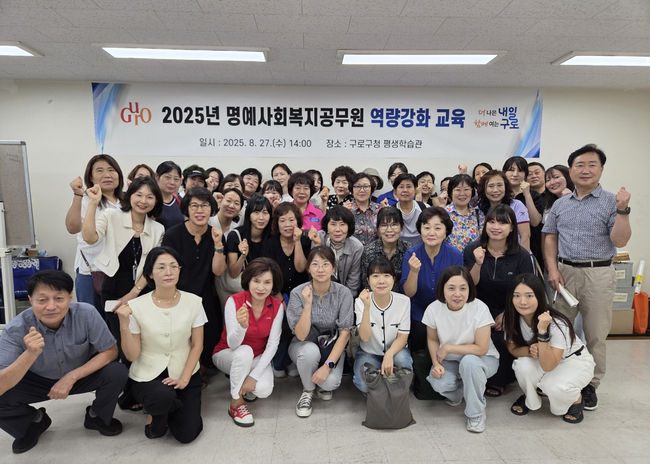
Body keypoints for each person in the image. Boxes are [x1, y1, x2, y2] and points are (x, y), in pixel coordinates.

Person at [543, 143, 631, 410]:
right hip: (564, 274)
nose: (585, 170)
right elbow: (550, 237)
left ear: (601, 169)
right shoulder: (560, 204)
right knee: (560, 329)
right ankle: (558, 375)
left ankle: (590, 385)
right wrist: (553, 269)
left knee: (595, 334)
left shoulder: (612, 201)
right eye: (579, 165)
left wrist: (623, 210)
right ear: (570, 170)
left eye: (592, 165)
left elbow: (620, 240)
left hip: (598, 274)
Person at [0, 270, 127, 454]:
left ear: (70, 297)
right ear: (30, 300)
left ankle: (97, 416)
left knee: (117, 372)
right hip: (36, 380)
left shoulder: (86, 314)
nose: (51, 306)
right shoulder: (15, 329)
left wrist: (71, 377)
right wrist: (30, 354)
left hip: (80, 375)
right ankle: (32, 422)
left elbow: (110, 351)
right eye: (42, 300)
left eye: (59, 298)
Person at [115, 247, 205, 442]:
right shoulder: (136, 306)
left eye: (174, 266)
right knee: (162, 397)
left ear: (180, 270)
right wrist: (123, 323)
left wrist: (185, 379)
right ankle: (157, 415)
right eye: (161, 267)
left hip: (184, 369)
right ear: (150, 273)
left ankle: (163, 406)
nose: (168, 272)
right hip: (149, 373)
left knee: (187, 434)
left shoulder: (194, 302)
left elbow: (197, 345)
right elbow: (131, 355)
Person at [81, 176, 164, 354]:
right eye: (139, 195)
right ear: (130, 195)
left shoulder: (158, 229)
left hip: (142, 290)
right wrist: (93, 203)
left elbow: (152, 265)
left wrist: (134, 293)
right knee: (118, 338)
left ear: (156, 201)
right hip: (113, 287)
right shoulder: (111, 216)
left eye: (150, 197)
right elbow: (89, 237)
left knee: (142, 339)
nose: (143, 201)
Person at [464, 204, 537, 397]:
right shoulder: (473, 249)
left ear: (512, 228)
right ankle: (474, 375)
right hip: (477, 308)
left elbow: (527, 292)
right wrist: (478, 263)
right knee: (476, 337)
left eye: (503, 223)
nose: (496, 227)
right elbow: (468, 286)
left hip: (510, 309)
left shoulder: (521, 256)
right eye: (492, 221)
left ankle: (500, 380)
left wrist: (507, 314)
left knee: (502, 337)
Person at [504, 274, 595, 424]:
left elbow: (548, 365)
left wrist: (542, 333)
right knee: (521, 365)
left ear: (539, 296)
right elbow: (513, 349)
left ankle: (576, 399)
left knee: (552, 386)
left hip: (573, 361)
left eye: (529, 296)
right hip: (545, 359)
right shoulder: (512, 318)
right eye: (517, 296)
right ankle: (531, 399)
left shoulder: (557, 323)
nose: (522, 302)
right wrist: (530, 351)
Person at [423, 265, 499, 433]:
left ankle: (476, 413)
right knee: (438, 383)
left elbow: (482, 348)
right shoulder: (433, 309)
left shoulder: (479, 308)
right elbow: (432, 339)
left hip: (482, 359)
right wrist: (436, 364)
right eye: (451, 288)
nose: (457, 294)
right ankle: (461, 393)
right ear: (442, 289)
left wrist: (448, 347)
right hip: (451, 360)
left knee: (469, 362)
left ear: (469, 289)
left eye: (463, 288)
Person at [212, 258, 284, 427]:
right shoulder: (234, 301)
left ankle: (244, 382)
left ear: (273, 285)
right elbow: (233, 344)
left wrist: (253, 376)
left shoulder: (277, 306)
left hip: (256, 357)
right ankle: (236, 403)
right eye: (256, 281)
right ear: (248, 280)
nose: (261, 287)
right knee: (244, 352)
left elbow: (272, 345)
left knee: (264, 389)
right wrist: (242, 327)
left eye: (267, 282)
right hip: (227, 353)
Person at [162, 187, 226, 372]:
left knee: (209, 335)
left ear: (211, 209)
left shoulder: (216, 234)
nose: (200, 210)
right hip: (178, 295)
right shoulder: (173, 235)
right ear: (186, 209)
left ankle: (201, 369)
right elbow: (168, 270)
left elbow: (218, 271)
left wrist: (218, 244)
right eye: (194, 206)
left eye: (204, 206)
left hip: (205, 294)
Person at [286, 247, 354, 418]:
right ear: (308, 268)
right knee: (310, 352)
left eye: (325, 264)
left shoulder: (343, 293)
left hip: (331, 347)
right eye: (315, 264)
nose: (320, 269)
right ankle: (307, 390)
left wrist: (327, 366)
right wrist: (308, 305)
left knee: (330, 384)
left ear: (333, 268)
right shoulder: (298, 293)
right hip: (303, 345)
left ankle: (313, 373)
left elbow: (345, 333)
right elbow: (301, 335)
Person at [400, 207, 463, 353]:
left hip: (446, 309)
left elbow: (459, 289)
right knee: (420, 333)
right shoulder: (411, 254)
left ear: (446, 231)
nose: (431, 233)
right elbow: (408, 293)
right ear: (420, 230)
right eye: (426, 227)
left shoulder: (455, 255)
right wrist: (414, 271)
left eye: (437, 228)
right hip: (418, 311)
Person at [65, 154, 123, 310]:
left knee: (115, 318)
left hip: (118, 271)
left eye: (111, 170)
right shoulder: (86, 199)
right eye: (100, 170)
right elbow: (72, 228)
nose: (107, 175)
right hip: (90, 271)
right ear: (90, 177)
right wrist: (78, 194)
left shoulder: (125, 201)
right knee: (90, 317)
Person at [261, 202, 311, 377]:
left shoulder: (304, 241)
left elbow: (301, 268)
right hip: (276, 293)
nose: (287, 224)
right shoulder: (270, 243)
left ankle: (293, 360)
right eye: (282, 220)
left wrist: (297, 242)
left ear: (298, 222)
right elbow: (267, 274)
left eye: (291, 220)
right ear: (276, 223)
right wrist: (279, 298)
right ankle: (279, 362)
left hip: (301, 293)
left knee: (298, 324)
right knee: (281, 323)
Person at [353, 257, 412, 393]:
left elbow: (402, 338)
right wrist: (367, 307)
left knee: (403, 366)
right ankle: (383, 386)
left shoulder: (404, 301)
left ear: (393, 279)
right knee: (363, 384)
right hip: (369, 352)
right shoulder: (360, 301)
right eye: (375, 276)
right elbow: (365, 337)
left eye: (386, 275)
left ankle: (385, 386)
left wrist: (389, 355)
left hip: (396, 351)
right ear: (368, 280)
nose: (381, 281)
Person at [309, 205, 363, 297]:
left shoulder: (356, 247)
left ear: (349, 226)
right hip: (319, 292)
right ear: (327, 225)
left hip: (345, 294)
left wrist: (343, 300)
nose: (337, 229)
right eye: (333, 224)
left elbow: (353, 283)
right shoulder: (319, 237)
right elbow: (313, 272)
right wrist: (317, 245)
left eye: (342, 224)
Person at [477, 170, 531, 251]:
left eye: (499, 185)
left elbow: (525, 236)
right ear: (484, 189)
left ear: (506, 187)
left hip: (516, 253)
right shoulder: (478, 209)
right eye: (491, 186)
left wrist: (522, 257)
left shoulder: (516, 205)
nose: (495, 190)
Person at [360, 206, 410, 291]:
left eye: (394, 225)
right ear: (378, 229)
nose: (389, 230)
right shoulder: (369, 251)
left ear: (401, 227)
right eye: (384, 225)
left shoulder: (408, 250)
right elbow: (366, 284)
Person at [445, 174, 485, 252]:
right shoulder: (442, 214)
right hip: (450, 259)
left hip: (473, 259)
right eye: (458, 190)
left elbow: (483, 241)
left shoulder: (478, 214)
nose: (462, 194)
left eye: (466, 189)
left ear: (472, 192)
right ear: (450, 192)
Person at [344, 171, 379, 245]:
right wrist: (344, 215)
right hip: (352, 251)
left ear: (371, 189)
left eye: (366, 186)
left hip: (375, 251)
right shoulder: (345, 210)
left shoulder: (379, 209)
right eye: (357, 186)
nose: (362, 190)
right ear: (352, 189)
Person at [393, 173, 423, 247]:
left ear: (415, 189)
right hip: (398, 249)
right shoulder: (391, 211)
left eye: (409, 187)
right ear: (395, 191)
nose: (405, 190)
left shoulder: (424, 208)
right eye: (401, 187)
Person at [155, 160, 185, 230]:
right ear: (157, 177)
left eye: (176, 179)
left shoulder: (180, 201)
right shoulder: (150, 201)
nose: (172, 182)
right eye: (167, 177)